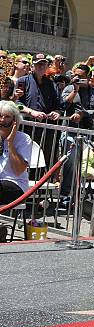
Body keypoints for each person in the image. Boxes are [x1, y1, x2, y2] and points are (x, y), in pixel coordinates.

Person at [59, 64, 94, 201]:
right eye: (75, 75)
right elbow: (63, 104)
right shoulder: (69, 88)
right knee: (70, 163)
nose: (77, 78)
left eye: (81, 76)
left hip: (88, 133)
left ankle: (81, 197)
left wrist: (84, 114)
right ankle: (65, 196)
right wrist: (75, 91)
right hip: (70, 132)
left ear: (88, 77)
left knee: (85, 165)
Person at [17, 53, 62, 172]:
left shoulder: (52, 84)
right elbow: (17, 105)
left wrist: (57, 112)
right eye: (38, 64)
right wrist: (31, 112)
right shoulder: (23, 81)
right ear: (33, 66)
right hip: (27, 127)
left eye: (44, 64)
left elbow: (59, 106)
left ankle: (42, 186)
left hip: (47, 129)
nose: (41, 67)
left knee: (45, 158)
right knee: (26, 156)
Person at [0, 101, 32, 242]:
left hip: (15, 184)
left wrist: (10, 143)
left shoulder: (23, 139)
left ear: (14, 120)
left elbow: (19, 170)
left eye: (6, 117)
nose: (2, 120)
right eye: (0, 116)